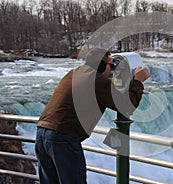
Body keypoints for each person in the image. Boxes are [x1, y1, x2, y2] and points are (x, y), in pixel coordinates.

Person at [35, 49, 150, 184]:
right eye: (111, 65)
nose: (113, 69)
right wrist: (138, 81)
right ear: (101, 66)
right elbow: (127, 105)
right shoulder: (96, 81)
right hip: (63, 137)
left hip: (42, 134)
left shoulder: (74, 73)